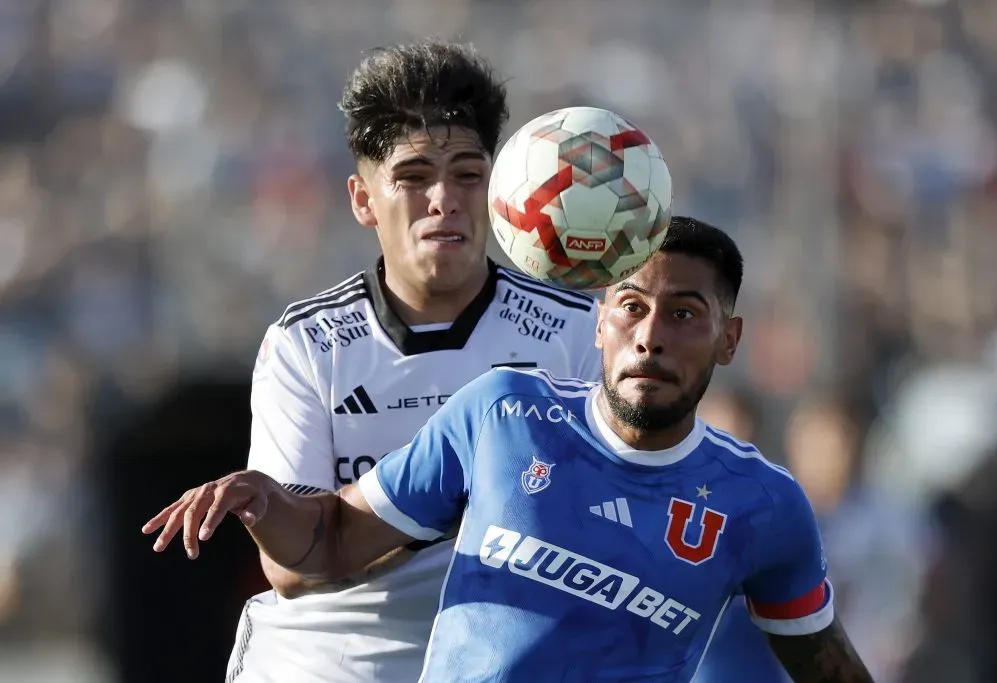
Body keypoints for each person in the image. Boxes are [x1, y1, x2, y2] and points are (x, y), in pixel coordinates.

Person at [145, 217, 875, 682]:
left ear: (728, 339)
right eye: (632, 306)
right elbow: (330, 542)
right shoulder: (504, 412)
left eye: (684, 313)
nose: (651, 335)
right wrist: (266, 501)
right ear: (598, 323)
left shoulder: (765, 503)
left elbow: (825, 662)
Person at [217, 40, 603, 682]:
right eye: (413, 177)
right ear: (363, 199)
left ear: (498, 189)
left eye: (467, 176)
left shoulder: (574, 330)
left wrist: (380, 520)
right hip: (332, 661)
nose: (443, 199)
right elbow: (297, 565)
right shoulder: (307, 346)